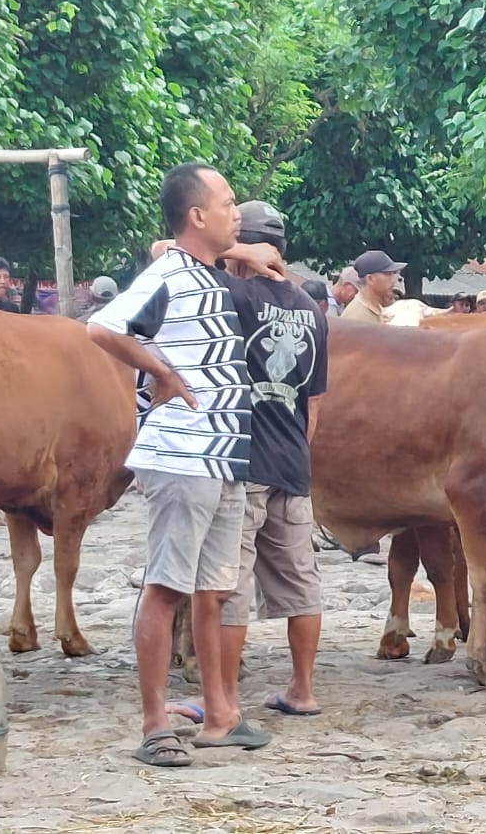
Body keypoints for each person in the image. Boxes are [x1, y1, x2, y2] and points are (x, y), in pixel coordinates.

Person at [87, 162, 266, 766]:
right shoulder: (169, 273)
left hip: (221, 455)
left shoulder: (204, 272)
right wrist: (162, 372)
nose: (234, 212)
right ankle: (154, 723)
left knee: (212, 591)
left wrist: (248, 251)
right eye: (226, 202)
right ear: (197, 216)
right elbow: (102, 326)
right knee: (167, 587)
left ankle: (220, 714)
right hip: (184, 453)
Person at [162, 200, 329, 727]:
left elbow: (165, 251)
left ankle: (222, 700)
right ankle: (301, 689)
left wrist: (234, 251)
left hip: (242, 460)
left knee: (226, 586)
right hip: (293, 463)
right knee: (302, 582)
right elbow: (313, 407)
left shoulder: (231, 291)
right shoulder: (311, 308)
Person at [339, 251, 405, 322]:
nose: (393, 280)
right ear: (370, 279)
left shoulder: (372, 307)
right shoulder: (359, 316)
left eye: (393, 273)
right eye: (388, 274)